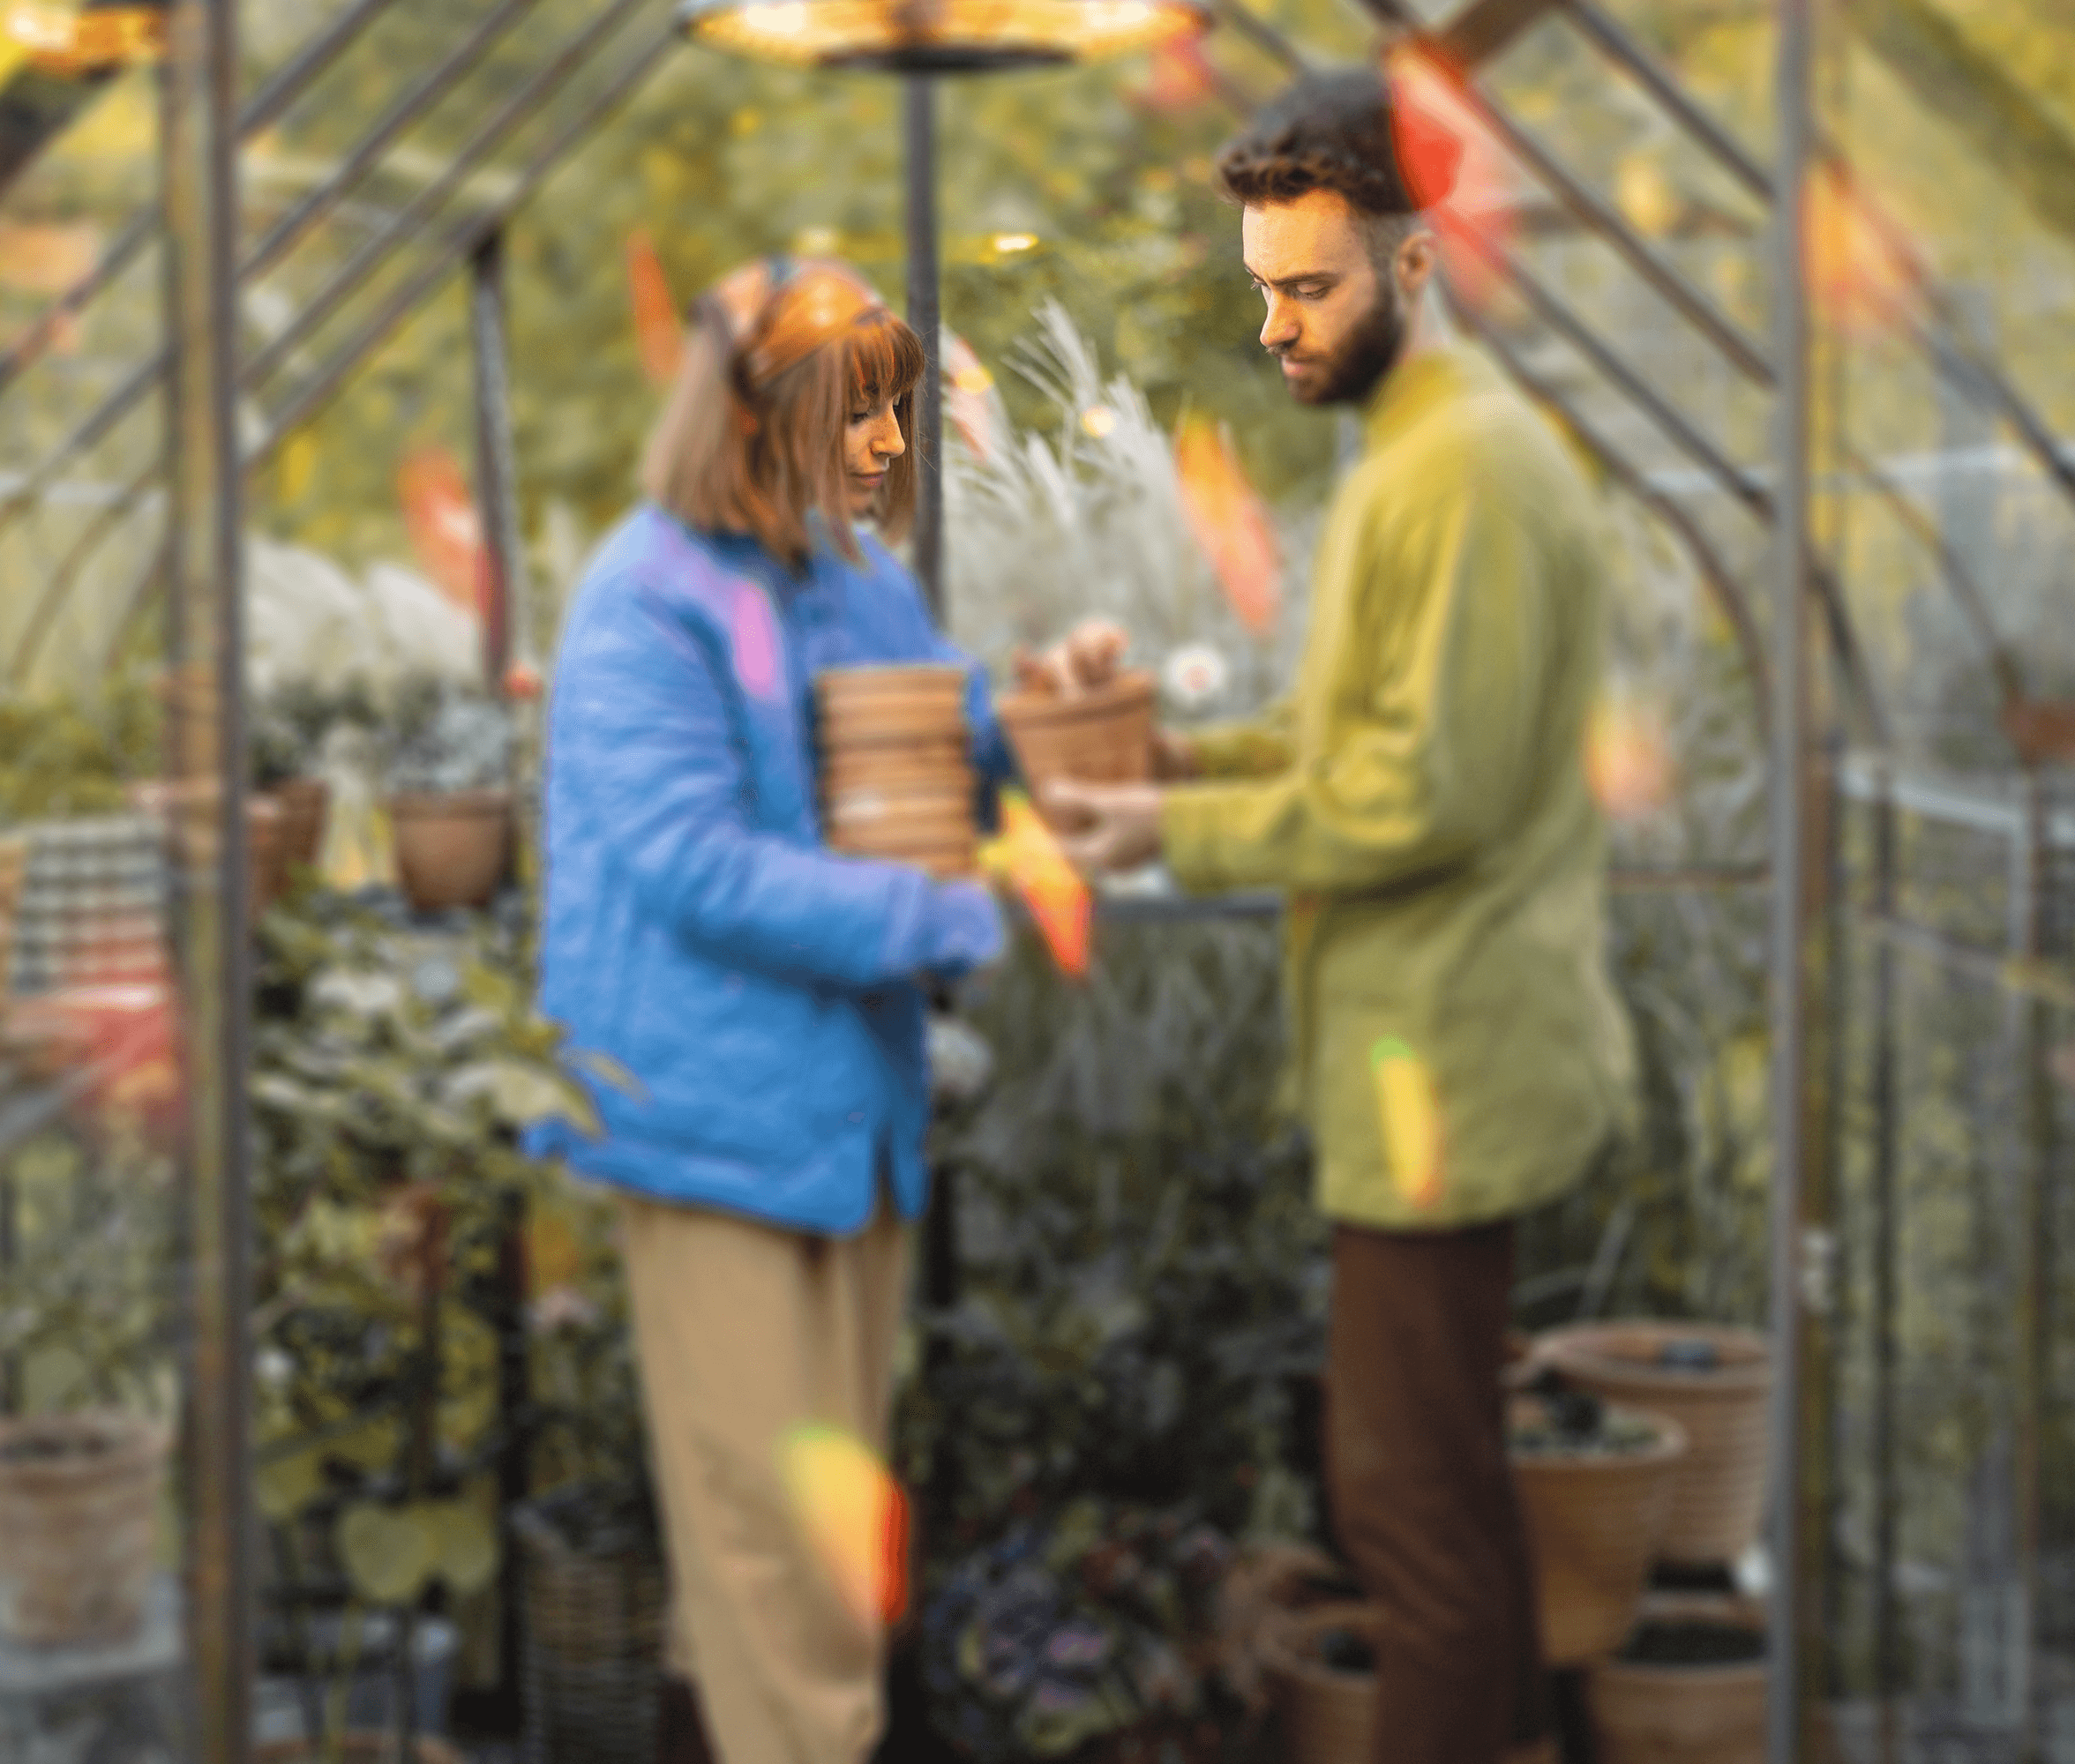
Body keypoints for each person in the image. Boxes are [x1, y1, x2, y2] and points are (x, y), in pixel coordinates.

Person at [1048, 70, 1636, 1764]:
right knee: (1436, 1490)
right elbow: (1347, 738)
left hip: (1449, 1082)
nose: (1280, 326)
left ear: (1419, 262)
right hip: (1426, 1072)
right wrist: (1175, 756)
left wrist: (1169, 823)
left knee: (1407, 1517)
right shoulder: (1420, 456)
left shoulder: (1466, 476)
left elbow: (1418, 797)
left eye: (1311, 288)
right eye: (1264, 290)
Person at [533, 256, 1015, 1764]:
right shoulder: (644, 602)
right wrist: (933, 916)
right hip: (705, 1120)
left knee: (812, 1527)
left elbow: (935, 724)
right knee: (772, 1551)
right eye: (858, 414)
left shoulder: (849, 575)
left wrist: (1030, 712)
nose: (885, 448)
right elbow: (692, 864)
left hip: (843, 1115)